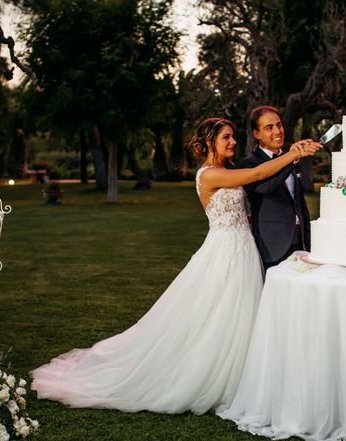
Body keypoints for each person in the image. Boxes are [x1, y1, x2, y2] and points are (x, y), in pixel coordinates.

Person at [31, 118, 321, 415]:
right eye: (226, 138)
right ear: (210, 142)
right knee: (218, 314)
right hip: (224, 253)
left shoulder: (229, 171)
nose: (233, 142)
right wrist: (294, 153)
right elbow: (259, 171)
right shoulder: (208, 175)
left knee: (240, 313)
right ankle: (210, 375)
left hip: (245, 249)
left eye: (233, 137)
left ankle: (248, 373)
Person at [238, 106, 315, 271]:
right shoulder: (249, 164)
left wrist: (308, 241)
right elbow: (266, 187)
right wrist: (292, 158)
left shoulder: (288, 158)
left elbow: (300, 205)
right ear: (257, 134)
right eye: (269, 128)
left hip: (298, 241)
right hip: (272, 244)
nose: (277, 131)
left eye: (279, 125)